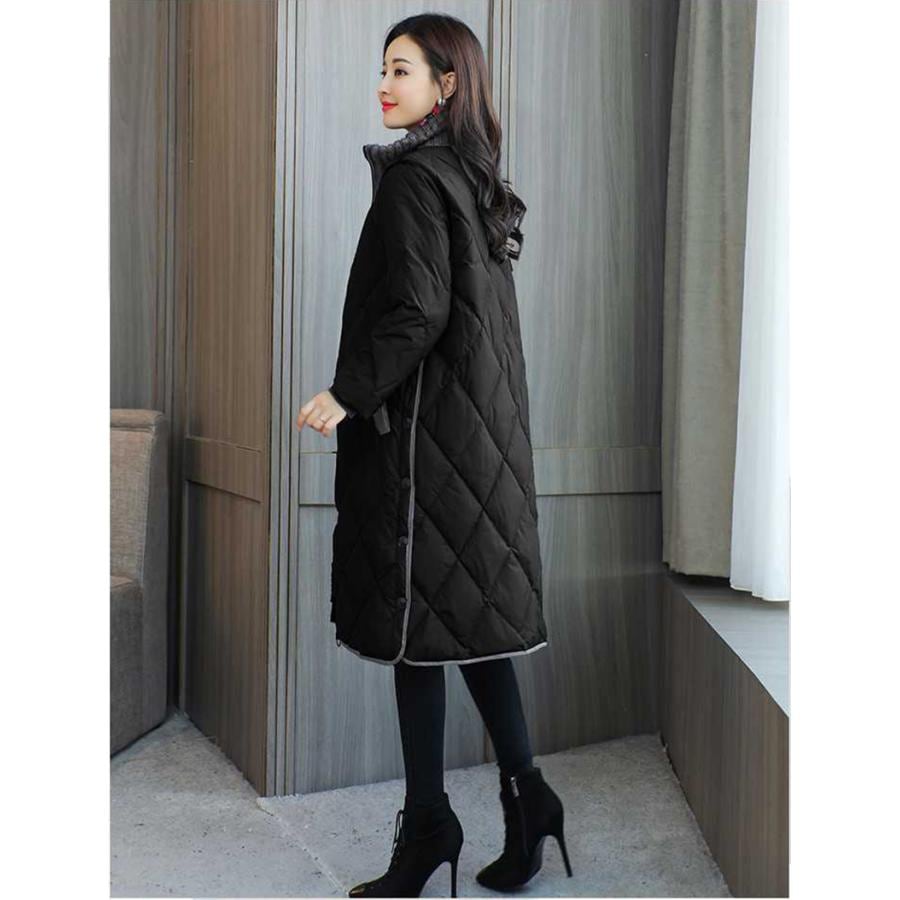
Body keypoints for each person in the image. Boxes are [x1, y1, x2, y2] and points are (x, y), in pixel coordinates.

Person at [296, 13, 573, 898]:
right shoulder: (466, 175)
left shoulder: (416, 180)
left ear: (446, 85)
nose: (384, 84)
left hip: (425, 444)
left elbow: (418, 310)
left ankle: (428, 829)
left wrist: (349, 392)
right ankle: (529, 800)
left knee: (415, 642)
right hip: (476, 443)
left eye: (402, 69)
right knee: (471, 626)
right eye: (383, 68)